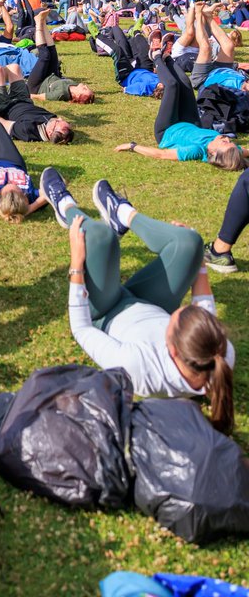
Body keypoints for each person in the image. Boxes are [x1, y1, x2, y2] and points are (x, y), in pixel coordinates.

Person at [39, 169, 234, 431]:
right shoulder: (220, 354)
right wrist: (197, 260)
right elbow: (205, 309)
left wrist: (76, 264)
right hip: (147, 303)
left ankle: (65, 207)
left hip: (106, 312)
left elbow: (81, 329)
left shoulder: (140, 369)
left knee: (100, 238)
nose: (184, 306)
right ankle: (122, 213)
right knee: (190, 242)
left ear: (172, 349)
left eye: (177, 316)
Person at [115, 54, 248, 170]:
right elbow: (244, 151)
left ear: (213, 153)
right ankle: (167, 57)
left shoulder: (195, 150)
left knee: (172, 86)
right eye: (230, 143)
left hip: (167, 129)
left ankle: (155, 56)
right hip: (192, 123)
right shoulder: (231, 152)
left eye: (225, 143)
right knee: (185, 83)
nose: (227, 139)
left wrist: (132, 146)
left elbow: (161, 154)